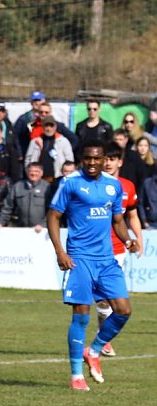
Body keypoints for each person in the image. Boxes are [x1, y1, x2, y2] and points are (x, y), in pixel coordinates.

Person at [47, 140, 139, 392]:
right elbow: (53, 216)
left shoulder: (113, 185)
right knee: (81, 316)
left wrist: (128, 239)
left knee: (123, 310)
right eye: (87, 158)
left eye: (97, 159)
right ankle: (76, 374)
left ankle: (94, 349)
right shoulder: (70, 183)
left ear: (103, 159)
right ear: (82, 159)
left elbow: (118, 219)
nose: (92, 163)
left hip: (106, 260)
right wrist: (60, 251)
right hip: (79, 259)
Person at [93, 143, 144, 358]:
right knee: (103, 300)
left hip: (117, 249)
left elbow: (131, 215)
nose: (108, 162)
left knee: (108, 298)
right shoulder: (94, 185)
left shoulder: (128, 187)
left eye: (112, 159)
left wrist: (137, 238)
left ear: (119, 162)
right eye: (106, 158)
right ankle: (102, 338)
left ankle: (102, 339)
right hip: (94, 248)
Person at [0, 162, 48, 232]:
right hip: (20, 230)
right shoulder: (17, 186)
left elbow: (51, 211)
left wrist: (43, 225)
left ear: (42, 173)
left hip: (41, 231)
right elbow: (7, 207)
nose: (33, 174)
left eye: (37, 171)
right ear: (27, 172)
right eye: (31, 171)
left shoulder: (47, 188)